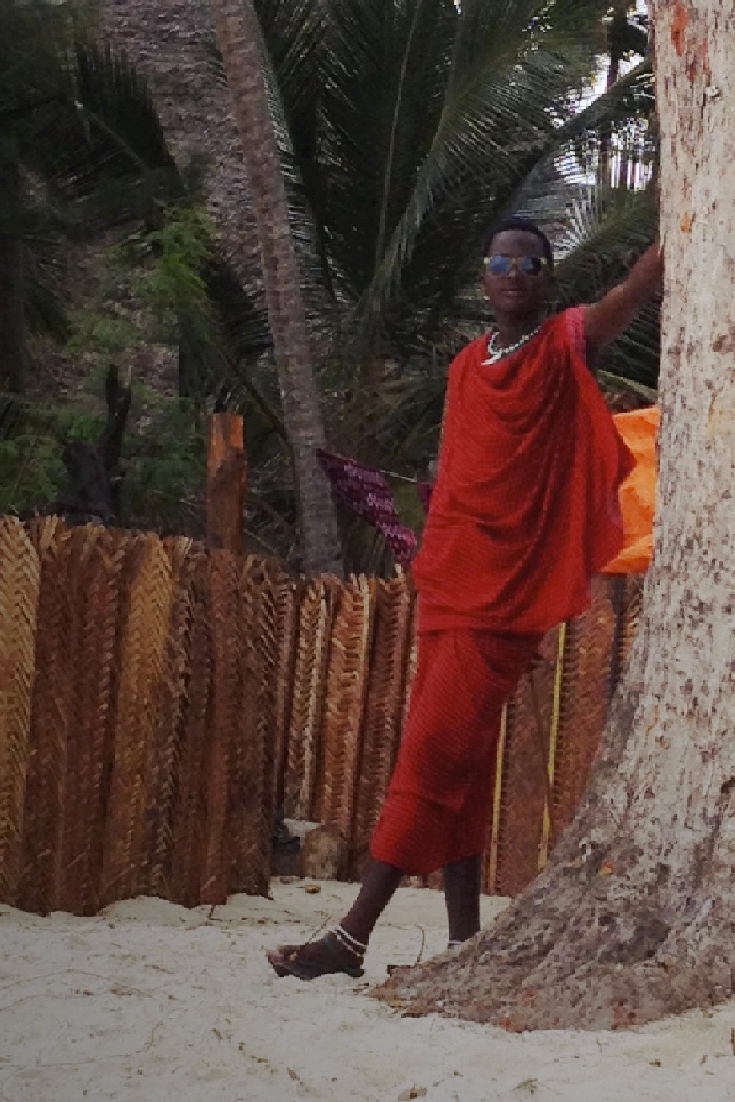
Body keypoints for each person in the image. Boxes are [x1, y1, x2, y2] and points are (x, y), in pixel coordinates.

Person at [268, 217, 664, 978]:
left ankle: (349, 939)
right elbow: (456, 480)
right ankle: (462, 944)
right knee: (463, 767)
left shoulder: (560, 346)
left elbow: (625, 299)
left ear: (548, 279)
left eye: (529, 263)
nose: (513, 273)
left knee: (428, 759)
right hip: (451, 584)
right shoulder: (463, 367)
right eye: (500, 262)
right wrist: (436, 566)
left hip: (506, 597)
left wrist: (661, 256)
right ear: (485, 279)